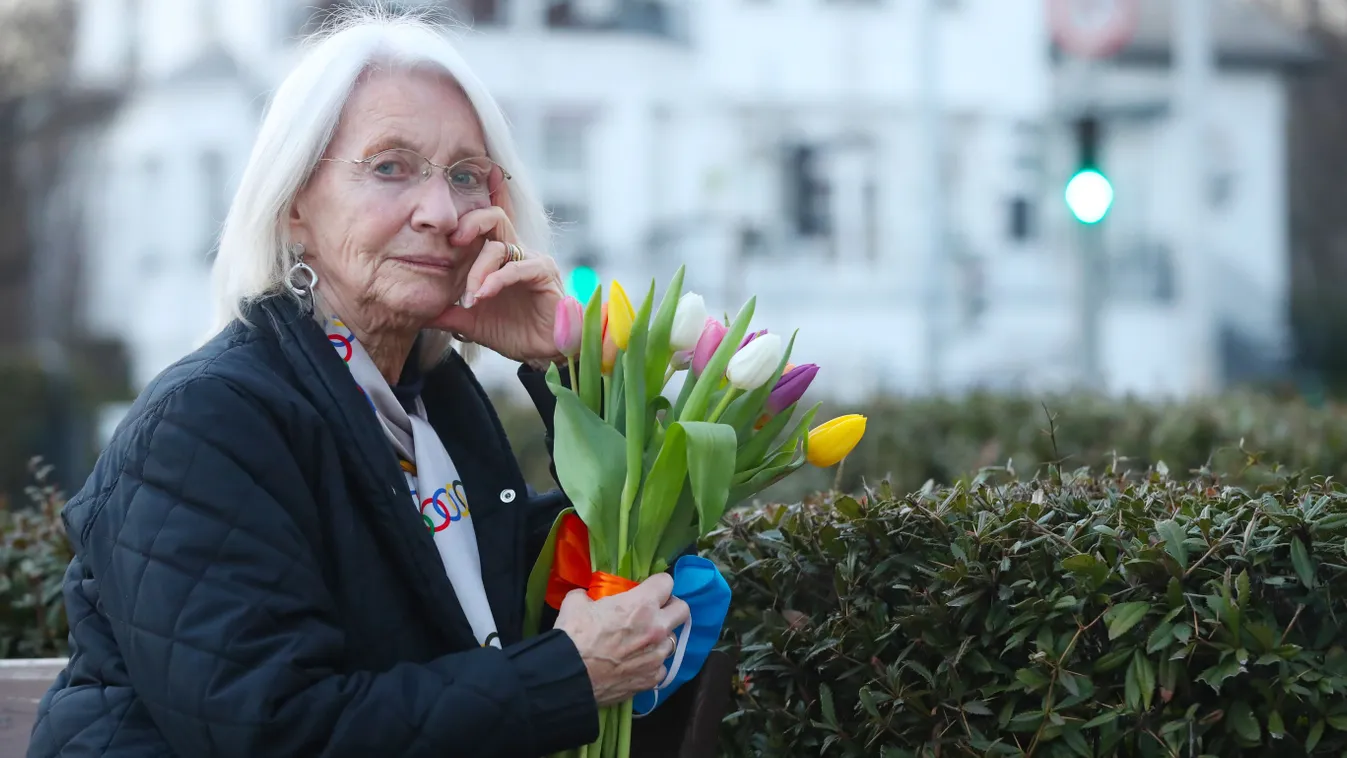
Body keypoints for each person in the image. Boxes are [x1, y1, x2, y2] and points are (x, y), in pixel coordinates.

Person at [27, 8, 689, 757]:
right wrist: (565, 676)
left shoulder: (432, 408)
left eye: (466, 176)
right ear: (294, 206)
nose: (440, 212)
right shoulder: (204, 424)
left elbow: (633, 543)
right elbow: (276, 732)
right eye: (389, 166)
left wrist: (557, 364)